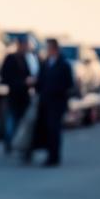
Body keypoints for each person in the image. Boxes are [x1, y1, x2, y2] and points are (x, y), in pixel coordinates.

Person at [33, 38, 75, 167]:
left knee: (54, 129)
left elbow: (69, 84)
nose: (48, 51)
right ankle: (49, 154)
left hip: (57, 103)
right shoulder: (45, 63)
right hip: (45, 102)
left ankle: (54, 156)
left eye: (49, 48)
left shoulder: (64, 65)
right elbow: (39, 81)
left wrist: (57, 90)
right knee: (46, 129)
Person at [0, 36, 34, 151]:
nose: (26, 47)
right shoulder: (11, 58)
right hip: (14, 95)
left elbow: (29, 74)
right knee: (12, 120)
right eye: (24, 44)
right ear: (19, 45)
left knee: (21, 122)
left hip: (24, 97)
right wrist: (22, 82)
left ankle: (18, 144)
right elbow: (5, 77)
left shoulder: (25, 58)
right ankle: (8, 144)